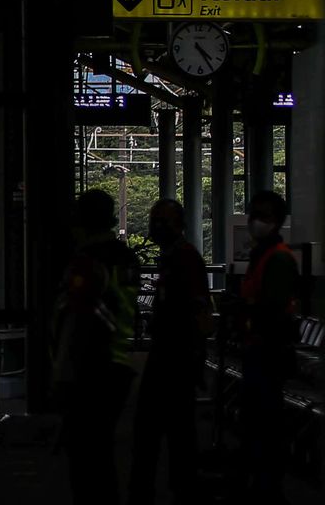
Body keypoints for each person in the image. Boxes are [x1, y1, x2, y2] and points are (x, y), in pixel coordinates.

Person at [50, 188, 140, 505]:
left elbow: (78, 321)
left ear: (81, 223)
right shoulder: (127, 258)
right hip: (120, 361)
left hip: (90, 368)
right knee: (102, 452)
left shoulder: (87, 264)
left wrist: (62, 374)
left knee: (86, 459)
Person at [129, 199, 211, 504]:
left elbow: (198, 308)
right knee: (176, 427)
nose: (157, 226)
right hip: (169, 352)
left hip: (176, 354)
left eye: (164, 221)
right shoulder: (173, 257)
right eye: (155, 220)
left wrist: (196, 354)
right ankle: (180, 485)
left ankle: (159, 488)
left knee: (156, 426)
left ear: (180, 225)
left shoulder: (185, 259)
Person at [238, 190, 299, 504]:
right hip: (257, 350)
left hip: (268, 353)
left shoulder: (277, 258)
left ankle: (267, 489)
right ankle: (260, 485)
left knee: (265, 424)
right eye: (253, 214)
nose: (255, 222)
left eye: (263, 216)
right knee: (257, 423)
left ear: (277, 222)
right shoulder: (261, 255)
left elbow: (271, 309)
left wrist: (247, 309)